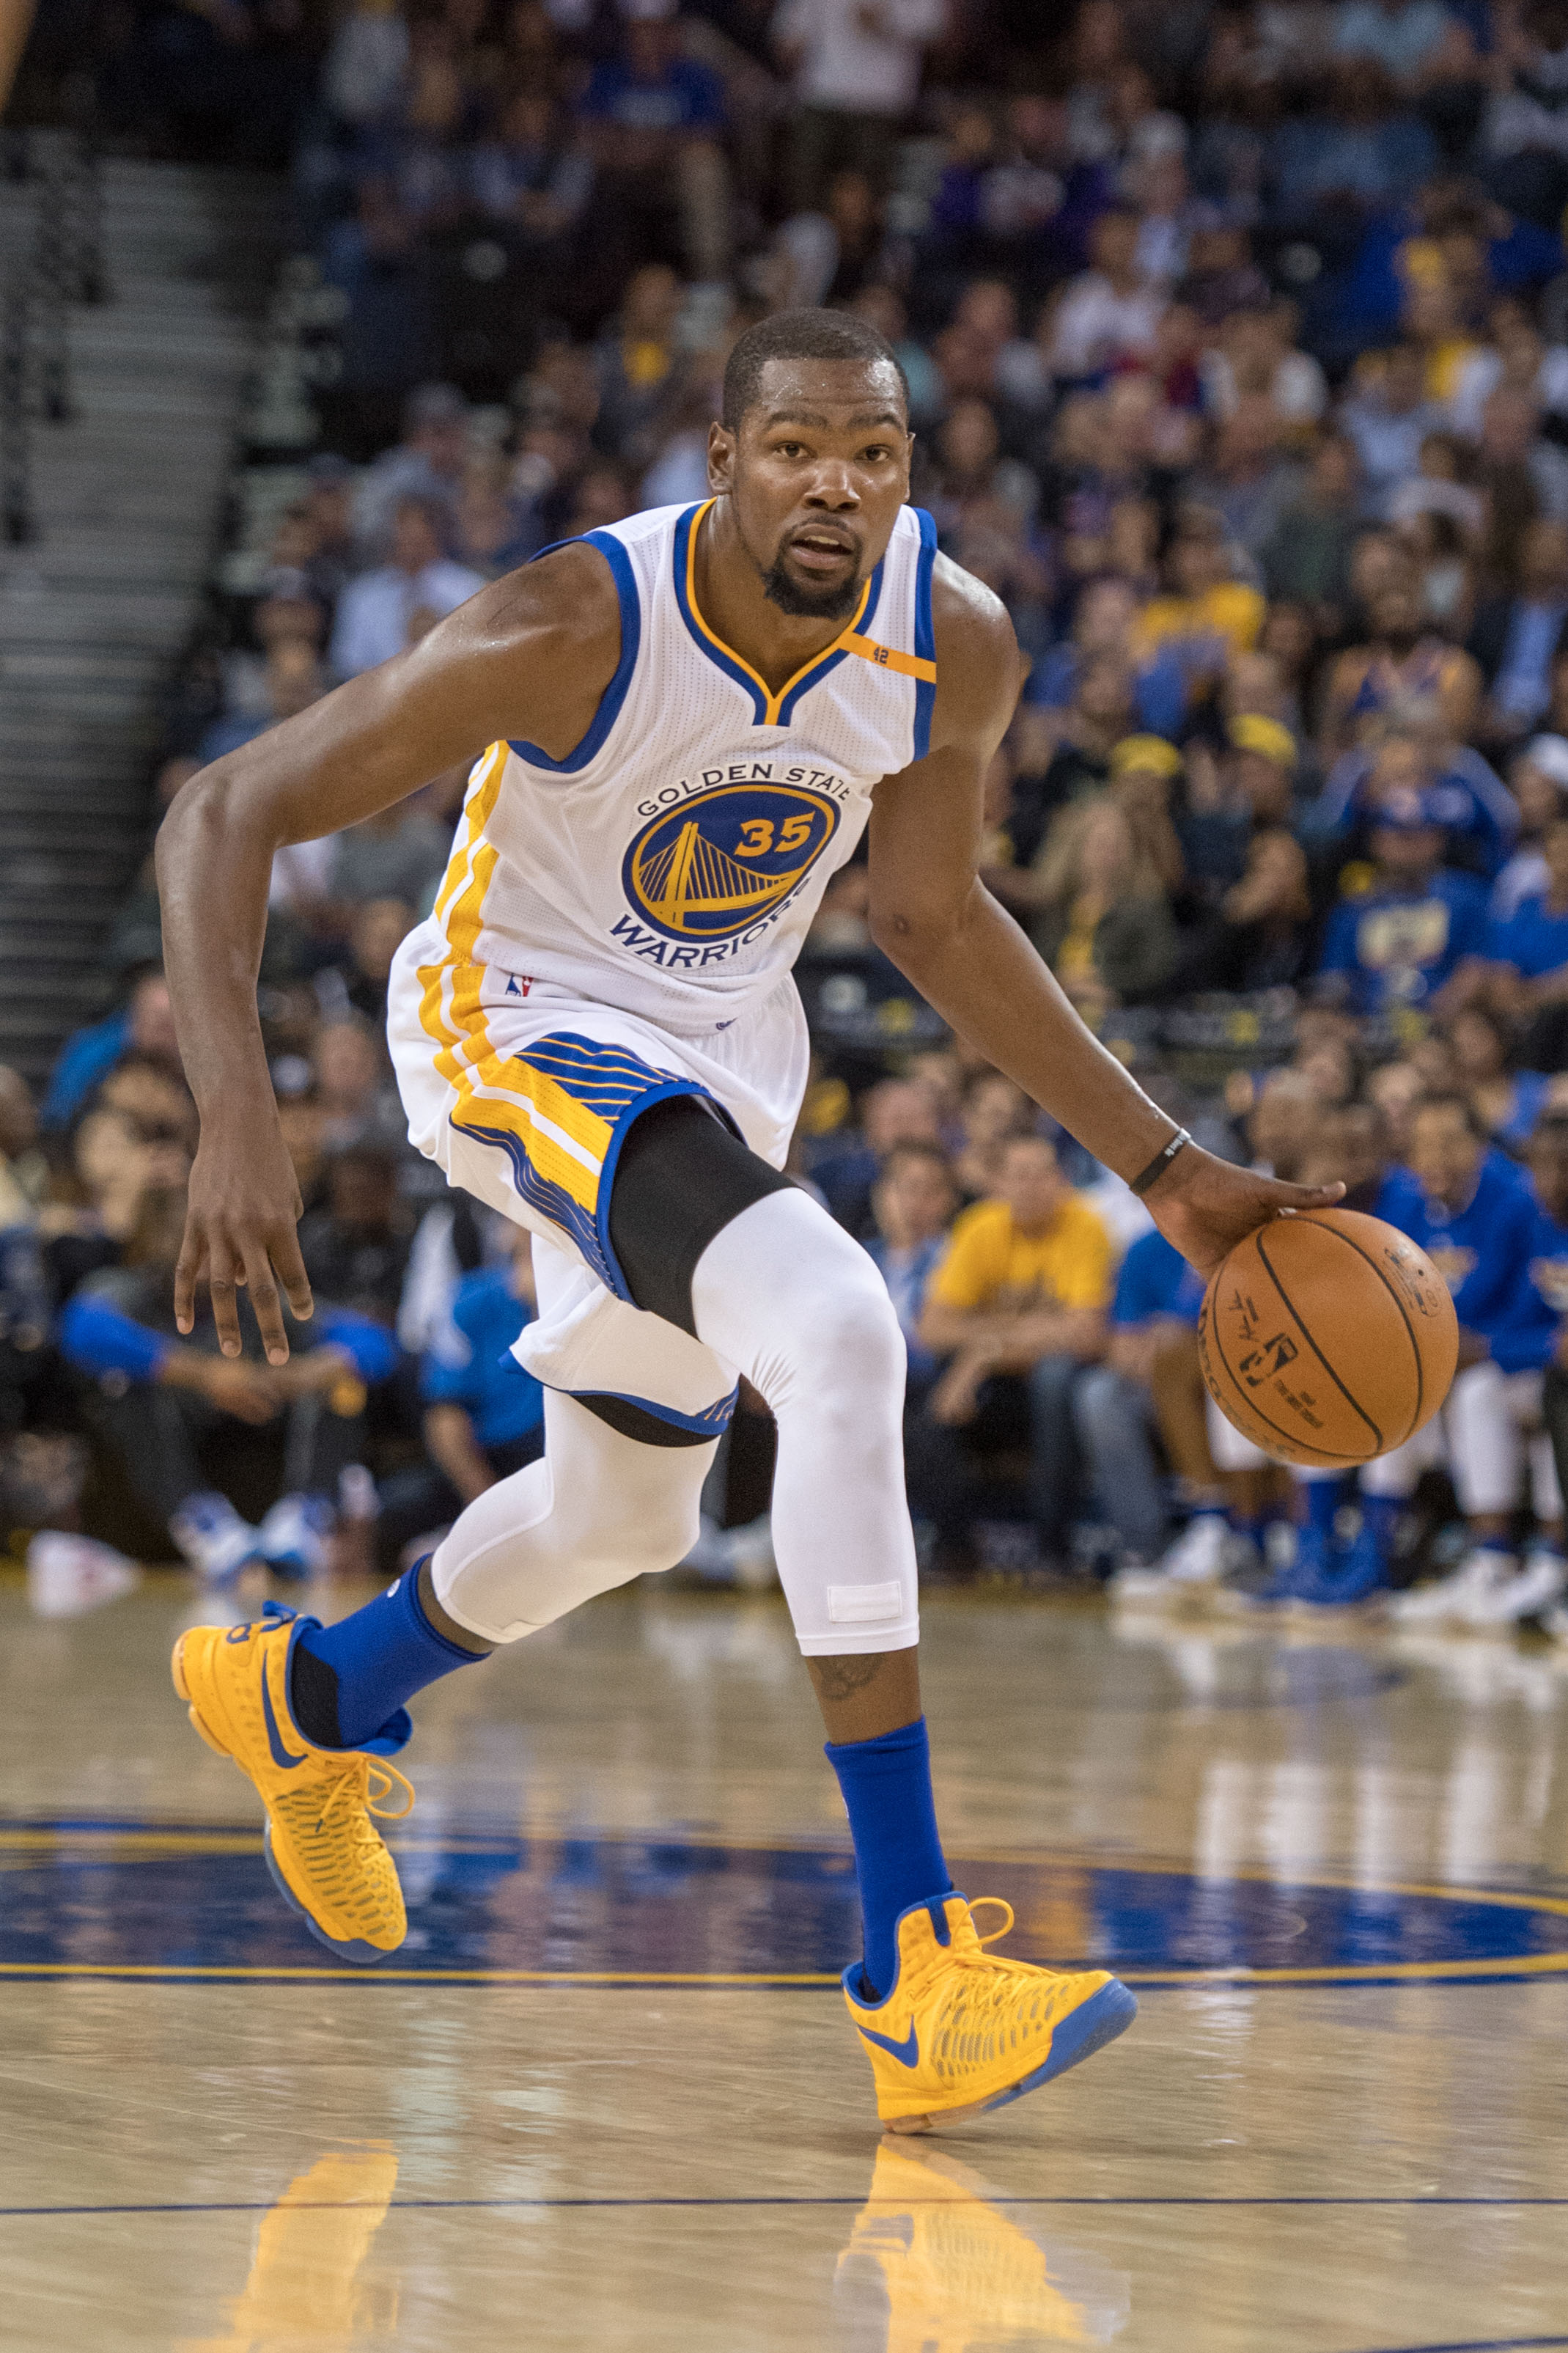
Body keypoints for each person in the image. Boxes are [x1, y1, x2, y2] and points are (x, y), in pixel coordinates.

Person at [153, 307, 1334, 2132]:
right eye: (794, 446)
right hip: (518, 1016)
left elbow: (933, 921)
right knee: (843, 1324)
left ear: (908, 475)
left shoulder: (948, 639)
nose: (834, 486)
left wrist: (1167, 1171)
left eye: (871, 453)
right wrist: (236, 1111)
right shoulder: (570, 625)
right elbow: (224, 808)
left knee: (624, 1512)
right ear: (720, 456)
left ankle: (307, 1696)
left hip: (720, 1052)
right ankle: (911, 1964)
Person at [1373, 1094, 1558, 1626]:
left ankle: (1528, 1561)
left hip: (1508, 1367)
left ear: (1481, 1148)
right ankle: (1377, 1551)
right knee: (1380, 1387)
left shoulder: (1517, 1205)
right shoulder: (1407, 1205)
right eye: (1423, 1144)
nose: (1435, 1156)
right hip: (1471, 1361)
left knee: (1503, 1393)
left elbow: (1507, 1308)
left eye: (1449, 1142)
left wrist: (1485, 1347)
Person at [911, 1134, 1113, 1572]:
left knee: (1056, 1379)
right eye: (1019, 1175)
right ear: (998, 1183)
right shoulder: (980, 1226)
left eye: (1044, 1174)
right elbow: (933, 1328)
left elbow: (1085, 1334)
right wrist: (1003, 1344)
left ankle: (1052, 1554)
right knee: (927, 1403)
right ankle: (955, 1551)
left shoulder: (1085, 1224)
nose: (1032, 1186)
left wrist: (983, 1350)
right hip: (998, 1381)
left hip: (1052, 1380)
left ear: (1062, 1180)